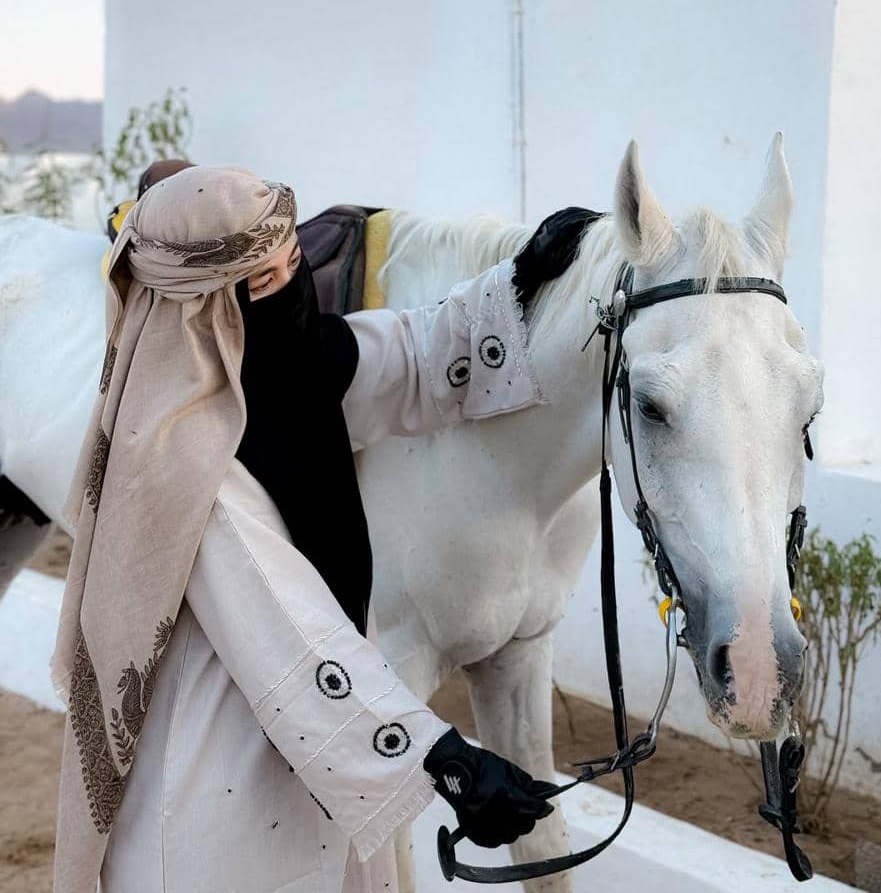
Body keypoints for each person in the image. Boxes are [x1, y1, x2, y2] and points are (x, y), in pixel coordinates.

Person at [51, 165, 596, 893]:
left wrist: (520, 281)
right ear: (205, 310)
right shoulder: (179, 459)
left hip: (311, 739)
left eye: (294, 264)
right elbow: (291, 630)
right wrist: (443, 758)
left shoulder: (289, 368)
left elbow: (409, 357)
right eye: (263, 282)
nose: (289, 289)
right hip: (220, 785)